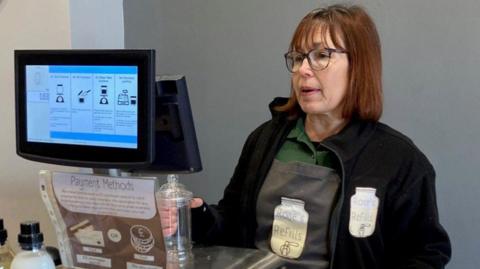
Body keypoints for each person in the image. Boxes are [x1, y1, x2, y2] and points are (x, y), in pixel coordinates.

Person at [186, 4, 451, 268]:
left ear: (359, 66)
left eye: (321, 55)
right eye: (299, 58)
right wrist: (199, 215)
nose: (303, 70)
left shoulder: (399, 160)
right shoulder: (264, 139)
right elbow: (232, 224)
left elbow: (426, 254)